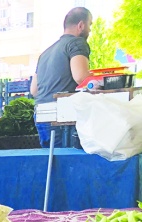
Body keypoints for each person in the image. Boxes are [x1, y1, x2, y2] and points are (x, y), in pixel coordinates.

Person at [30, 8, 93, 147]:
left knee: (51, 161)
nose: (90, 30)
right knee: (67, 162)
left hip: (41, 114)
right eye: (90, 25)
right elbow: (81, 77)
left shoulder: (45, 53)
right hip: (62, 116)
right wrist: (99, 82)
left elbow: (34, 90)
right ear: (81, 25)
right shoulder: (77, 43)